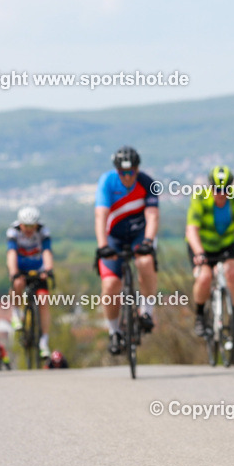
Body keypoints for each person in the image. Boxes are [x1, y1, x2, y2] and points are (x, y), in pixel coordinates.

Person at [94, 146, 160, 355]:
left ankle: (146, 312)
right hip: (113, 236)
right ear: (116, 171)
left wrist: (148, 241)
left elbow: (152, 216)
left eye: (131, 171)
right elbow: (101, 216)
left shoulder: (148, 183)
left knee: (145, 262)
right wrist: (103, 245)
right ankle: (114, 332)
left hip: (139, 234)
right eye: (123, 172)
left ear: (138, 169)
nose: (127, 177)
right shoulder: (107, 182)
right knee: (111, 284)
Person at [185, 166, 234, 337]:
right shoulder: (200, 197)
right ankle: (199, 316)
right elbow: (192, 229)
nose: (221, 193)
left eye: (225, 190)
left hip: (226, 245)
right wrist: (199, 252)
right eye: (217, 189)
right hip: (202, 245)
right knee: (204, 277)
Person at [7, 205, 54, 358]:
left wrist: (48, 269)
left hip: (38, 269)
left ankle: (44, 342)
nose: (29, 229)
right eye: (26, 226)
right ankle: (16, 312)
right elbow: (11, 253)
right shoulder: (13, 232)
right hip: (20, 267)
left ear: (37, 224)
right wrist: (14, 272)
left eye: (32, 226)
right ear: (20, 224)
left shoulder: (43, 231)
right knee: (18, 284)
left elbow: (47, 251)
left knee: (44, 300)